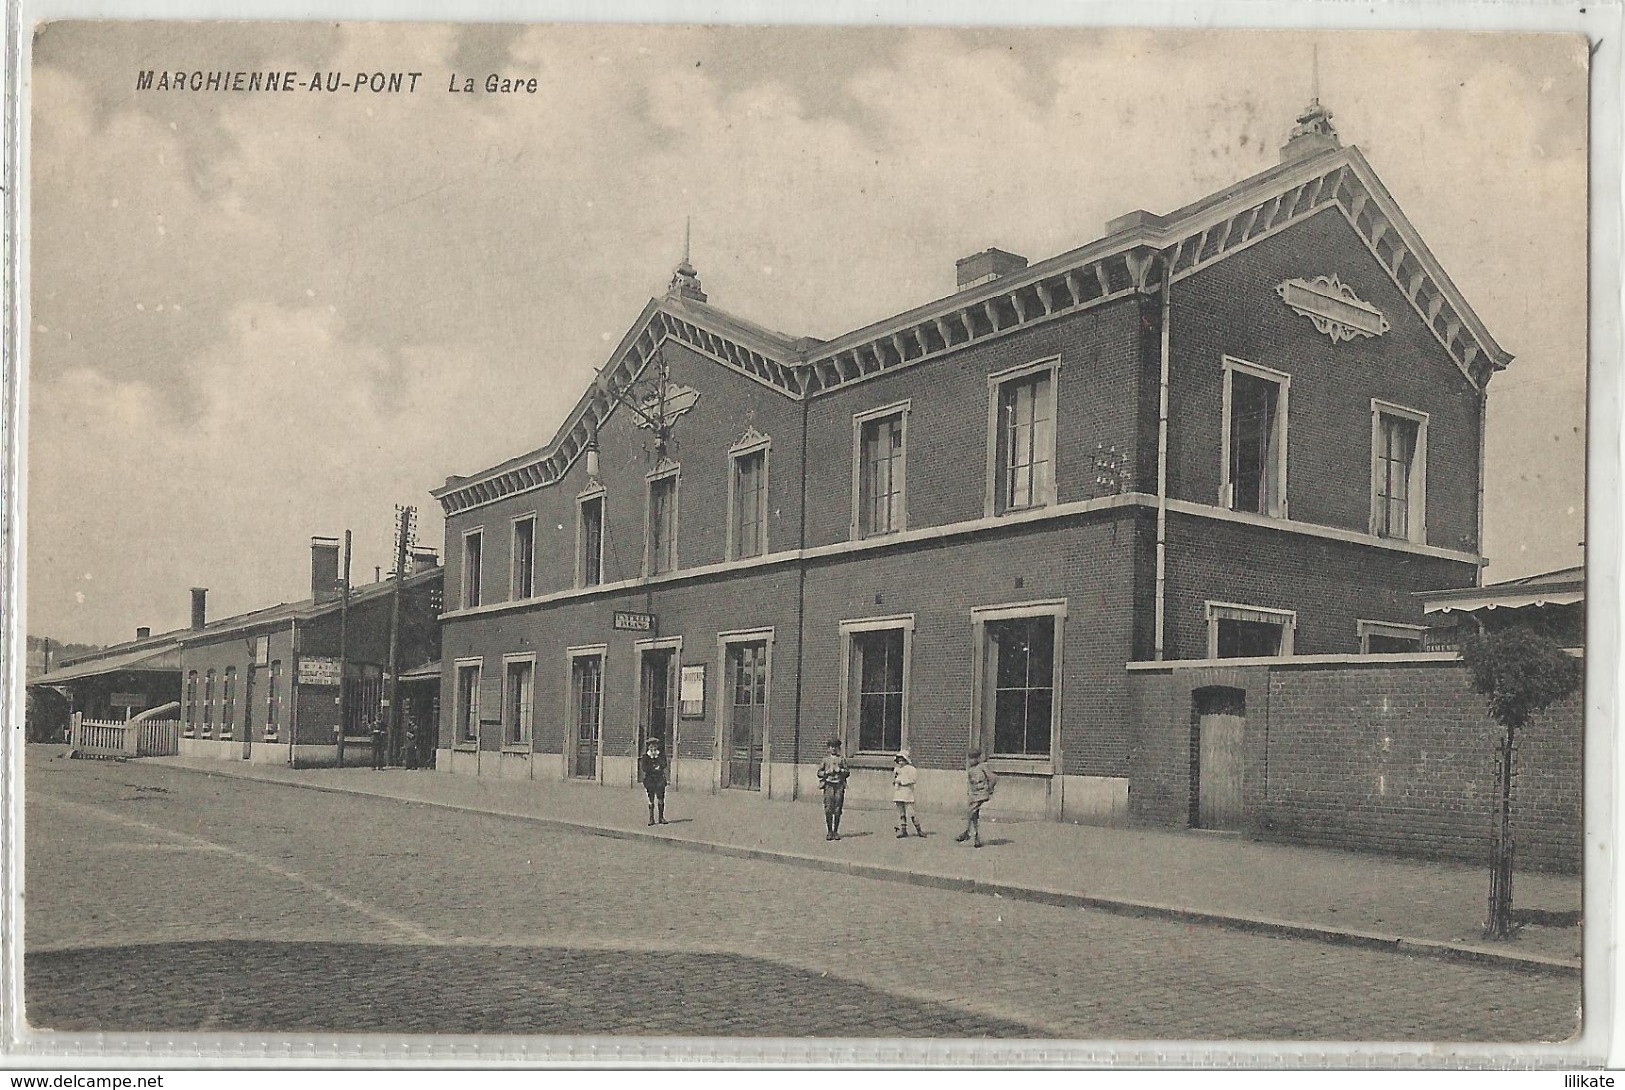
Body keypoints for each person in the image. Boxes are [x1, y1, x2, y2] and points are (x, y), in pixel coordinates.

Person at [956, 747, 998, 848]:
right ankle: (977, 837)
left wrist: (990, 789)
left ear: (978, 758)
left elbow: (993, 778)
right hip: (974, 795)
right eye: (970, 758)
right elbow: (970, 784)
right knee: (974, 816)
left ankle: (967, 832)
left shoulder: (982, 766)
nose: (971, 761)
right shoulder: (971, 770)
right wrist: (969, 793)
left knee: (970, 812)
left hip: (982, 793)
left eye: (974, 758)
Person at [816, 737, 850, 841]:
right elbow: (819, 773)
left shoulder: (842, 759)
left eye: (835, 747)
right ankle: (829, 831)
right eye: (831, 747)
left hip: (839, 785)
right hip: (829, 786)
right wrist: (826, 772)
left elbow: (847, 772)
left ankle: (836, 831)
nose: (833, 749)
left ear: (838, 748)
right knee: (828, 808)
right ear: (828, 749)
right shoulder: (825, 760)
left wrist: (840, 770)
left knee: (837, 808)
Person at [892, 749, 923, 838]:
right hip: (899, 792)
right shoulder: (897, 769)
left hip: (907, 793)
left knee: (911, 812)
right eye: (899, 760)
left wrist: (901, 781)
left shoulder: (911, 769)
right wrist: (895, 781)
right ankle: (903, 830)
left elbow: (912, 780)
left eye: (902, 760)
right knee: (901, 812)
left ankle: (919, 830)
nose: (900, 762)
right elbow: (895, 779)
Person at [639, 735, 668, 826]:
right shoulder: (645, 757)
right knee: (651, 799)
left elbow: (664, 764)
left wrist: (660, 765)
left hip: (659, 779)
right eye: (651, 746)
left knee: (660, 798)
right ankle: (651, 819)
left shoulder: (661, 755)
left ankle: (661, 817)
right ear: (648, 747)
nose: (653, 748)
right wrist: (653, 768)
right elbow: (644, 767)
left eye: (655, 746)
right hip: (650, 780)